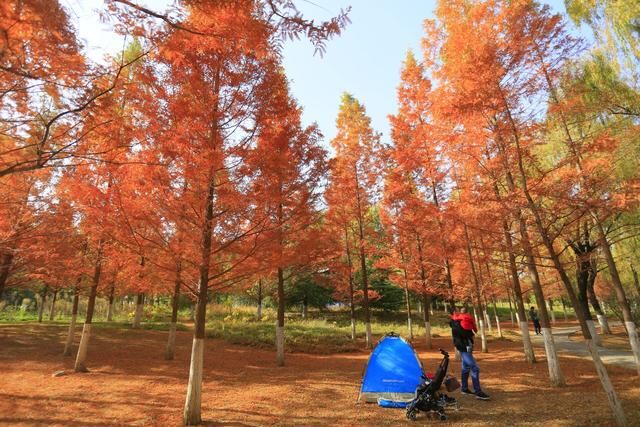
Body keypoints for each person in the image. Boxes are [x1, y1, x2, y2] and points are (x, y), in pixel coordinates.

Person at [450, 306, 490, 400]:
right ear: (454, 312)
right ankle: (478, 392)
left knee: (465, 367)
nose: (459, 311)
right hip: (464, 347)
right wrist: (471, 333)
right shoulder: (456, 322)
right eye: (457, 310)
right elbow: (465, 333)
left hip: (465, 345)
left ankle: (464, 388)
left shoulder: (458, 321)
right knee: (475, 368)